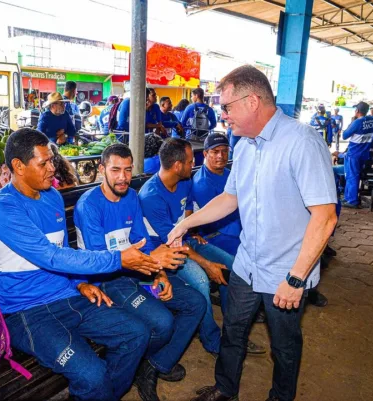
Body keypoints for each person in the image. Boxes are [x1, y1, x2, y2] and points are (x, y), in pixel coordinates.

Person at [167, 65, 338, 401]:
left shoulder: (301, 142)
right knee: (234, 329)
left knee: (284, 344)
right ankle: (225, 388)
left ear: (252, 102)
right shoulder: (244, 145)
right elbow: (230, 198)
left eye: (227, 107)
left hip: (285, 271)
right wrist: (186, 223)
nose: (223, 115)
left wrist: (296, 279)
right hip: (248, 263)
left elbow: (325, 217)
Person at [0, 128, 170, 401]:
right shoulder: (2, 209)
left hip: (67, 295)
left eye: (51, 160)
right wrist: (118, 258)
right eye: (43, 163)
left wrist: (78, 282)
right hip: (26, 312)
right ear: (18, 167)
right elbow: (50, 256)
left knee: (136, 333)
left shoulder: (51, 196)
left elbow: (62, 250)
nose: (52, 168)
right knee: (92, 373)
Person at [74, 143, 206, 401]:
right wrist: (148, 264)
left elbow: (143, 241)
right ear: (102, 170)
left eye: (127, 170)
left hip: (138, 271)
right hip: (110, 280)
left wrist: (159, 273)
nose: (122, 177)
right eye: (115, 170)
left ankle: (153, 364)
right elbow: (100, 260)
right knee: (162, 323)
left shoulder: (132, 197)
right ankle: (136, 365)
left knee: (195, 303)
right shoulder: (89, 205)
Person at [138, 138, 235, 357]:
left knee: (232, 266)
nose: (194, 164)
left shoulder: (184, 181)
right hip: (165, 251)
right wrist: (207, 264)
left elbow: (189, 210)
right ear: (177, 166)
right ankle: (210, 337)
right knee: (201, 279)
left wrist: (192, 230)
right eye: (191, 161)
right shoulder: (151, 196)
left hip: (187, 241)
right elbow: (172, 242)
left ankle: (232, 329)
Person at [191, 133, 266, 355]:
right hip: (215, 236)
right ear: (205, 154)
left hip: (235, 232)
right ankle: (235, 327)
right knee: (238, 267)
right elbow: (214, 220)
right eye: (215, 152)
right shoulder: (202, 183)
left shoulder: (229, 173)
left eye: (224, 151)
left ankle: (245, 312)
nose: (220, 156)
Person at [342, 101, 373, 208]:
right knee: (353, 175)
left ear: (357, 111)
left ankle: (352, 200)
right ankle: (348, 197)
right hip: (365, 154)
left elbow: (345, 135)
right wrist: (368, 141)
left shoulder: (357, 122)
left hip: (354, 154)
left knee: (352, 176)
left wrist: (351, 123)